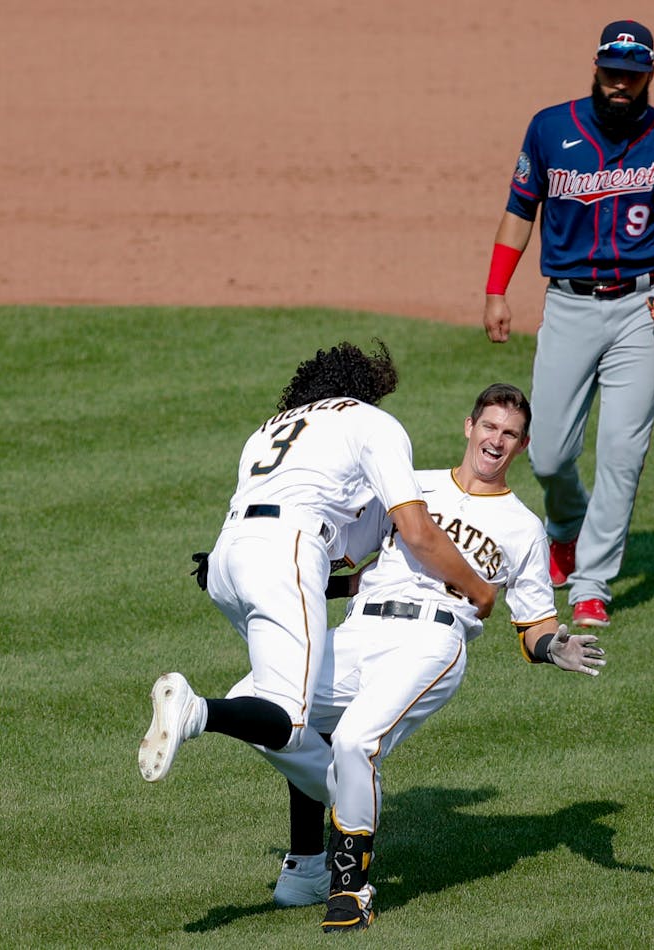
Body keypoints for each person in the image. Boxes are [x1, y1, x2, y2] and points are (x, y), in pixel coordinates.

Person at [248, 383, 607, 932]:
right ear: (469, 427)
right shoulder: (411, 487)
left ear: (523, 445)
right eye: (489, 427)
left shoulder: (524, 528)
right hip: (360, 628)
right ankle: (333, 824)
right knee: (256, 706)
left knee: (354, 740)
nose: (496, 441)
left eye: (509, 434)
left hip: (431, 642)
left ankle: (351, 888)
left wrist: (554, 645)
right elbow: (339, 557)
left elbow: (533, 626)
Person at [137, 340, 496, 788]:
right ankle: (196, 712)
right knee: (288, 720)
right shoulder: (371, 422)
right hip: (285, 549)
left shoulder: (268, 430)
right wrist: (479, 590)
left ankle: (309, 854)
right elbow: (418, 531)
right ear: (365, 389)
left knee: (297, 709)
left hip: (227, 559)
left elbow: (327, 556)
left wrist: (349, 586)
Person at [481, 19, 654, 629]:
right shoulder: (550, 128)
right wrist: (496, 290)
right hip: (569, 305)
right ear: (596, 66)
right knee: (550, 452)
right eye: (612, 70)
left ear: (649, 76)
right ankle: (564, 526)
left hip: (643, 309)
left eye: (632, 74)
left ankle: (592, 583)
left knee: (621, 453)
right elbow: (518, 211)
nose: (620, 82)